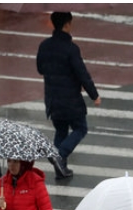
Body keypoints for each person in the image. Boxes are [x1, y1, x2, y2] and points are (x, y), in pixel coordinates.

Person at [36, 11, 101, 179]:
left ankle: (61, 168)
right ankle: (60, 155)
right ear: (66, 24)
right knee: (80, 128)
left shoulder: (44, 46)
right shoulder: (71, 49)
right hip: (70, 99)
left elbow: (40, 69)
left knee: (61, 130)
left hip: (52, 98)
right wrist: (94, 95)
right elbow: (82, 73)